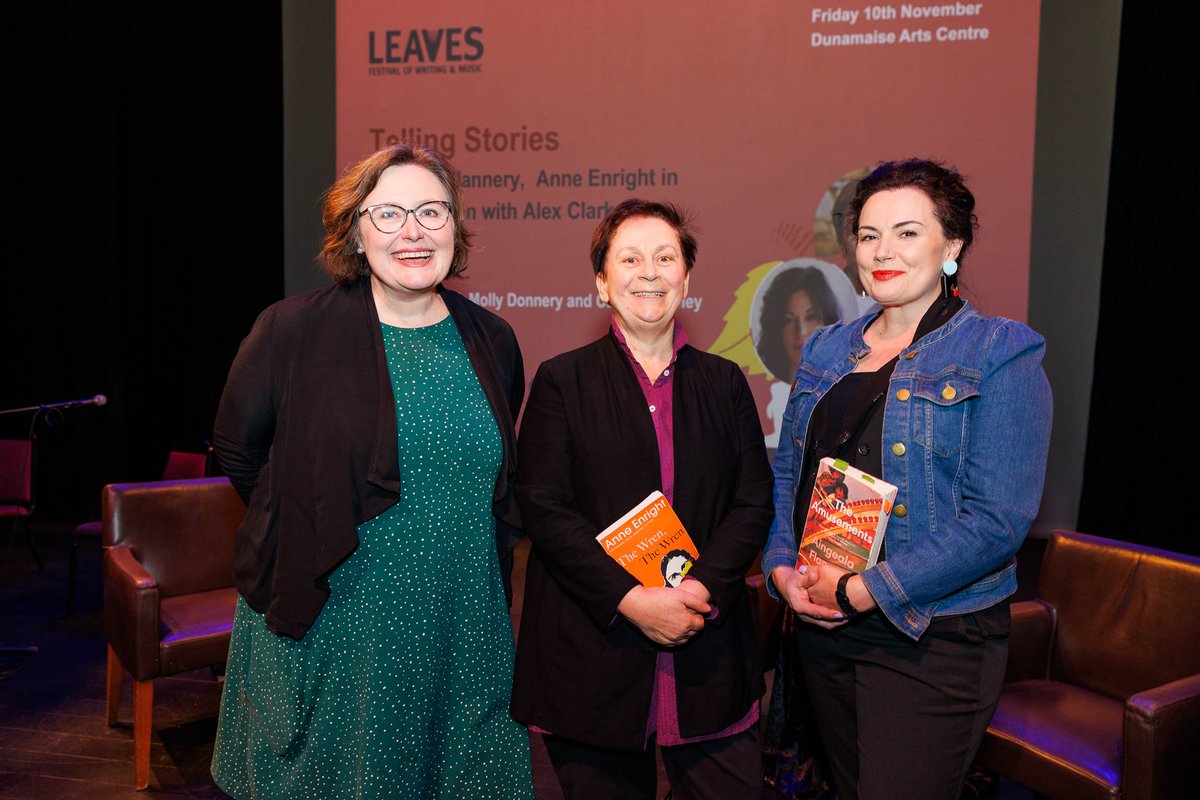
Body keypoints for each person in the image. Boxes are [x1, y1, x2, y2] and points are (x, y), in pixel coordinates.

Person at [209, 143, 534, 799]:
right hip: (336, 624)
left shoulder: (493, 339)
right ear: (355, 232)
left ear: (455, 228)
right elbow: (240, 454)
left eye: (432, 212)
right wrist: (308, 522)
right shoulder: (290, 330)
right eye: (388, 214)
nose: (413, 231)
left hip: (460, 625)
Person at [761, 159, 1052, 800]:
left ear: (952, 245)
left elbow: (998, 521)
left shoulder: (1001, 351)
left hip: (933, 636)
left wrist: (864, 590)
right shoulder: (827, 348)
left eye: (907, 232)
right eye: (868, 235)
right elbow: (791, 474)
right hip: (824, 624)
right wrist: (783, 565)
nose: (883, 251)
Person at [512, 199, 773, 800]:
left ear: (687, 277)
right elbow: (544, 508)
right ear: (602, 282)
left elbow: (753, 501)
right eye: (629, 259)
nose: (648, 272)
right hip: (593, 652)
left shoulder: (725, 381)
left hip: (707, 648)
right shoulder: (561, 379)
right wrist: (631, 599)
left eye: (665, 258)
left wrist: (699, 589)